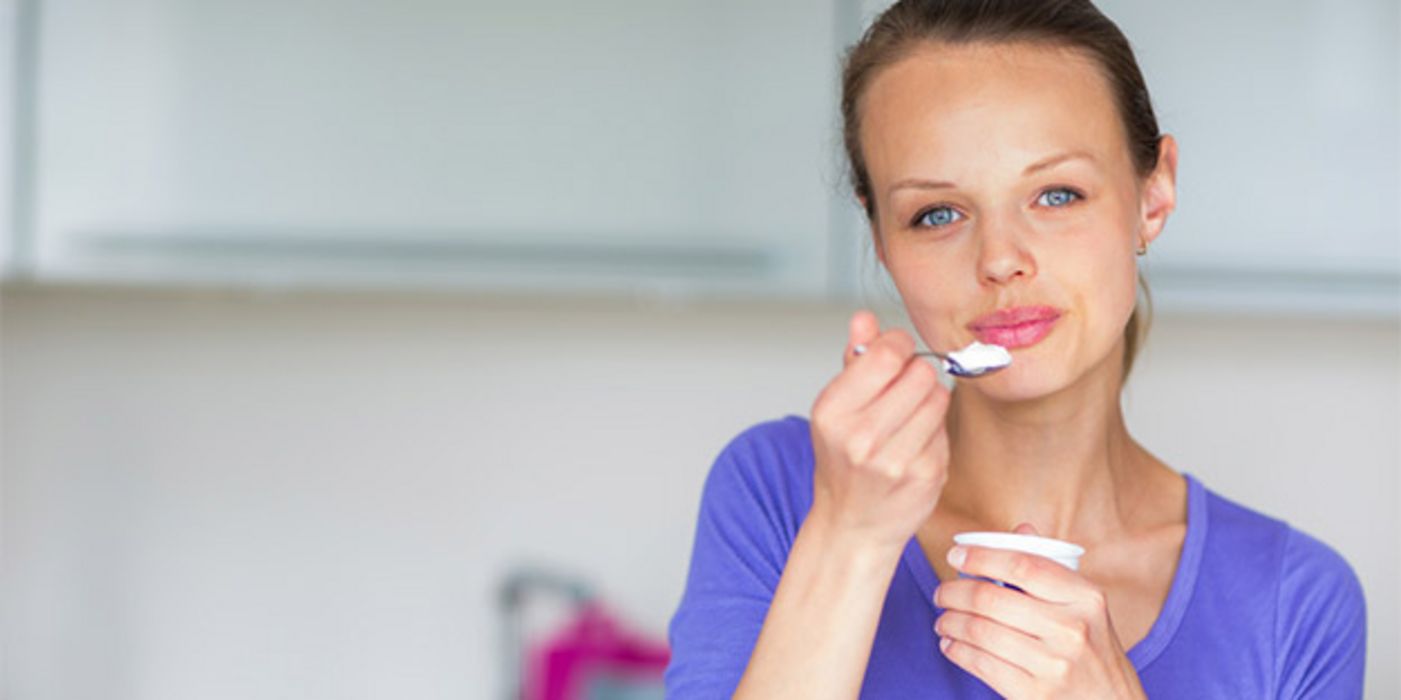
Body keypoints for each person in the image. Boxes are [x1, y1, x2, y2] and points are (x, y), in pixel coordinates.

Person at [664, 0, 1367, 698]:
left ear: (1152, 195)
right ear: (878, 237)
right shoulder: (779, 492)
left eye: (1056, 195)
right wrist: (848, 537)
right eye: (935, 214)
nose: (999, 260)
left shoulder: (1293, 604)